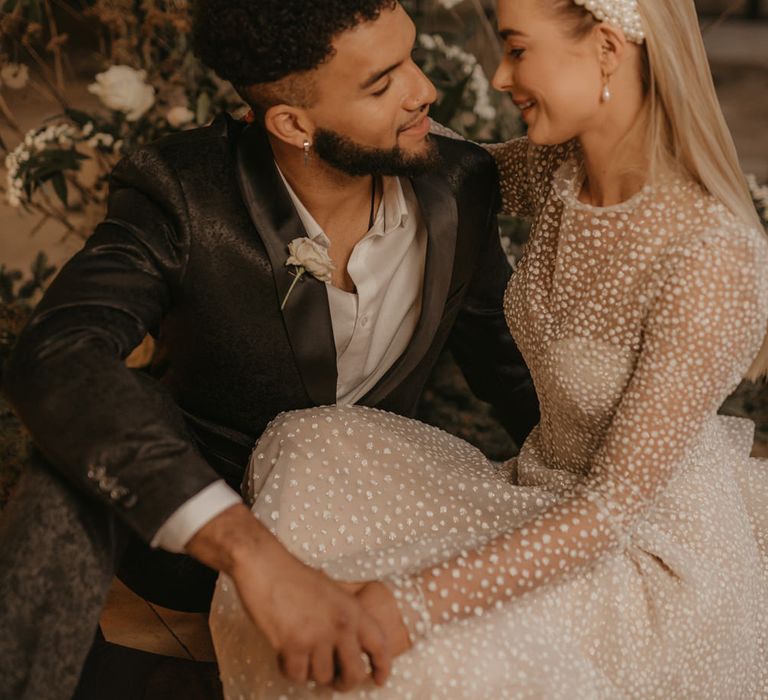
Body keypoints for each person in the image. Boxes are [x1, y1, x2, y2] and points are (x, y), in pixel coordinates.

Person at [210, 0, 768, 697]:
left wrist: (403, 605)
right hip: (533, 492)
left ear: (605, 48)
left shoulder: (711, 258)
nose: (501, 78)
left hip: (638, 555)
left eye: (516, 49)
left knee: (408, 660)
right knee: (310, 443)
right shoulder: (562, 171)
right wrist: (304, 96)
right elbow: (434, 152)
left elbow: (608, 514)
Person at [0, 1, 541, 697]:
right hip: (214, 538)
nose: (424, 92)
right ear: (292, 124)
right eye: (382, 84)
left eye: (412, 56)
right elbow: (58, 352)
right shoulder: (183, 193)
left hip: (376, 518)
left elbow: (503, 356)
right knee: (65, 468)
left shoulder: (456, 182)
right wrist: (253, 557)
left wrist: (607, 477)